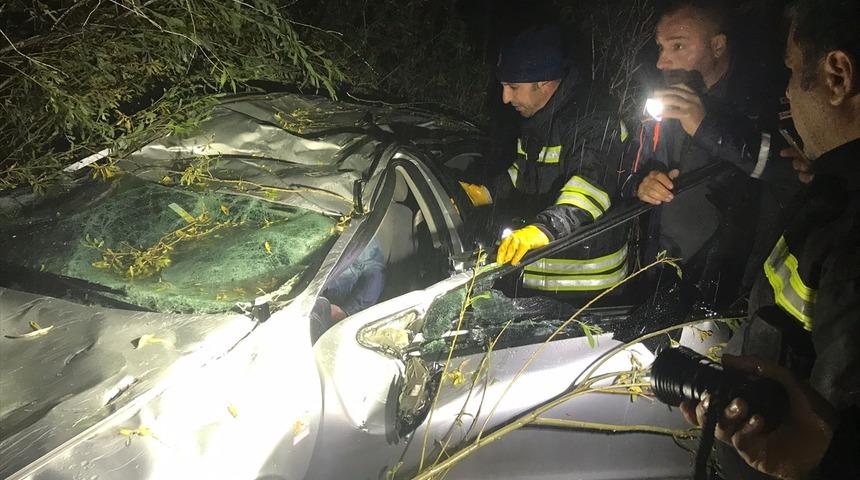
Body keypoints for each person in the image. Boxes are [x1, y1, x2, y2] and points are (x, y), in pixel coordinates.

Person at [680, 1, 860, 477]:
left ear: (838, 76)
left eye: (793, 70)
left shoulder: (848, 228)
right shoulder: (830, 192)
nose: (785, 93)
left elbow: (833, 425)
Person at [623, 0, 801, 307]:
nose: (662, 62)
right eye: (661, 47)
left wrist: (707, 126)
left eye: (678, 46)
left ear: (717, 46)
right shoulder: (663, 101)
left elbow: (791, 171)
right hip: (661, 272)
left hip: (728, 283)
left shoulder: (764, 98)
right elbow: (629, 167)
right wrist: (642, 181)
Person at [459, 25, 632, 302]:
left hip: (587, 287)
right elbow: (524, 172)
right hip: (540, 276)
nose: (505, 98)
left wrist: (543, 229)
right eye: (503, 86)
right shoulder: (540, 117)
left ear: (545, 83)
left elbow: (588, 192)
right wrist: (487, 193)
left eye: (513, 87)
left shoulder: (595, 121)